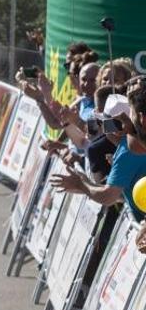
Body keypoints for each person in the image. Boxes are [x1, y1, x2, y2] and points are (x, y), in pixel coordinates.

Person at [52, 77, 146, 224]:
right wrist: (84, 187)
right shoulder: (125, 149)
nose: (102, 129)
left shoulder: (126, 149)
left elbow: (108, 197)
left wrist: (81, 184)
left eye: (103, 123)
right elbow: (120, 195)